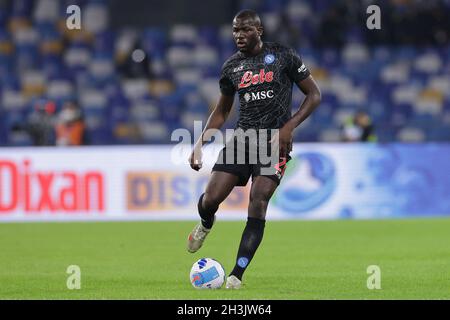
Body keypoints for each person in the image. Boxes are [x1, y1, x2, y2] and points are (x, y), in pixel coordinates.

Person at [187, 9, 321, 289]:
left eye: (245, 30)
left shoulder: (284, 56)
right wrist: (200, 143)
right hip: (242, 140)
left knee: (258, 201)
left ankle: (236, 275)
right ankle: (205, 224)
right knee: (211, 199)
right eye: (235, 30)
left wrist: (289, 127)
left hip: (274, 142)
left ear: (259, 31)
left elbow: (314, 94)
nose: (239, 35)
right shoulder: (231, 67)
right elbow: (222, 111)